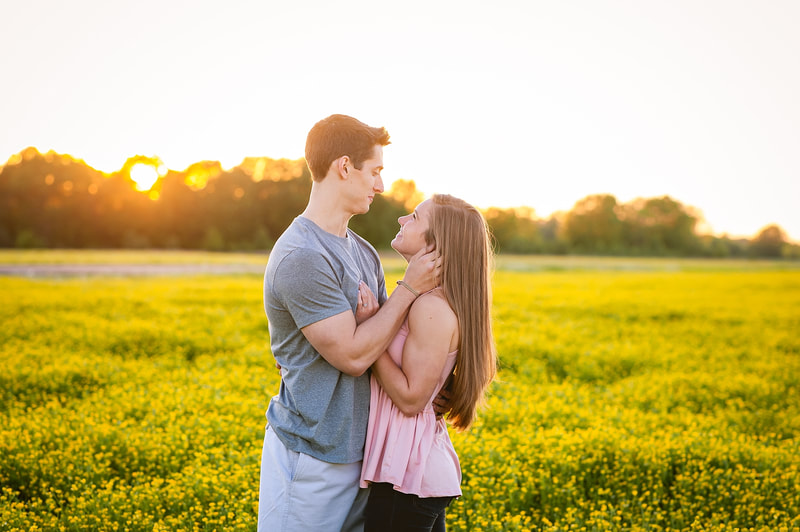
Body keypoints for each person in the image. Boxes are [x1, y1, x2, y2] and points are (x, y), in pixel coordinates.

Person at [258, 114, 440, 532]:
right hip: (313, 460)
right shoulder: (302, 255)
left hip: (366, 456)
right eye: (375, 171)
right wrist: (408, 289)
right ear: (344, 167)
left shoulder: (363, 252)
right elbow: (355, 356)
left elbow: (386, 340)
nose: (380, 185)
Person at [358, 194, 497, 532]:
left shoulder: (430, 308)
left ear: (435, 247)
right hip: (411, 473)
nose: (402, 220)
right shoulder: (426, 301)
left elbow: (411, 399)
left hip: (408, 477)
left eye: (415, 217)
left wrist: (368, 337)